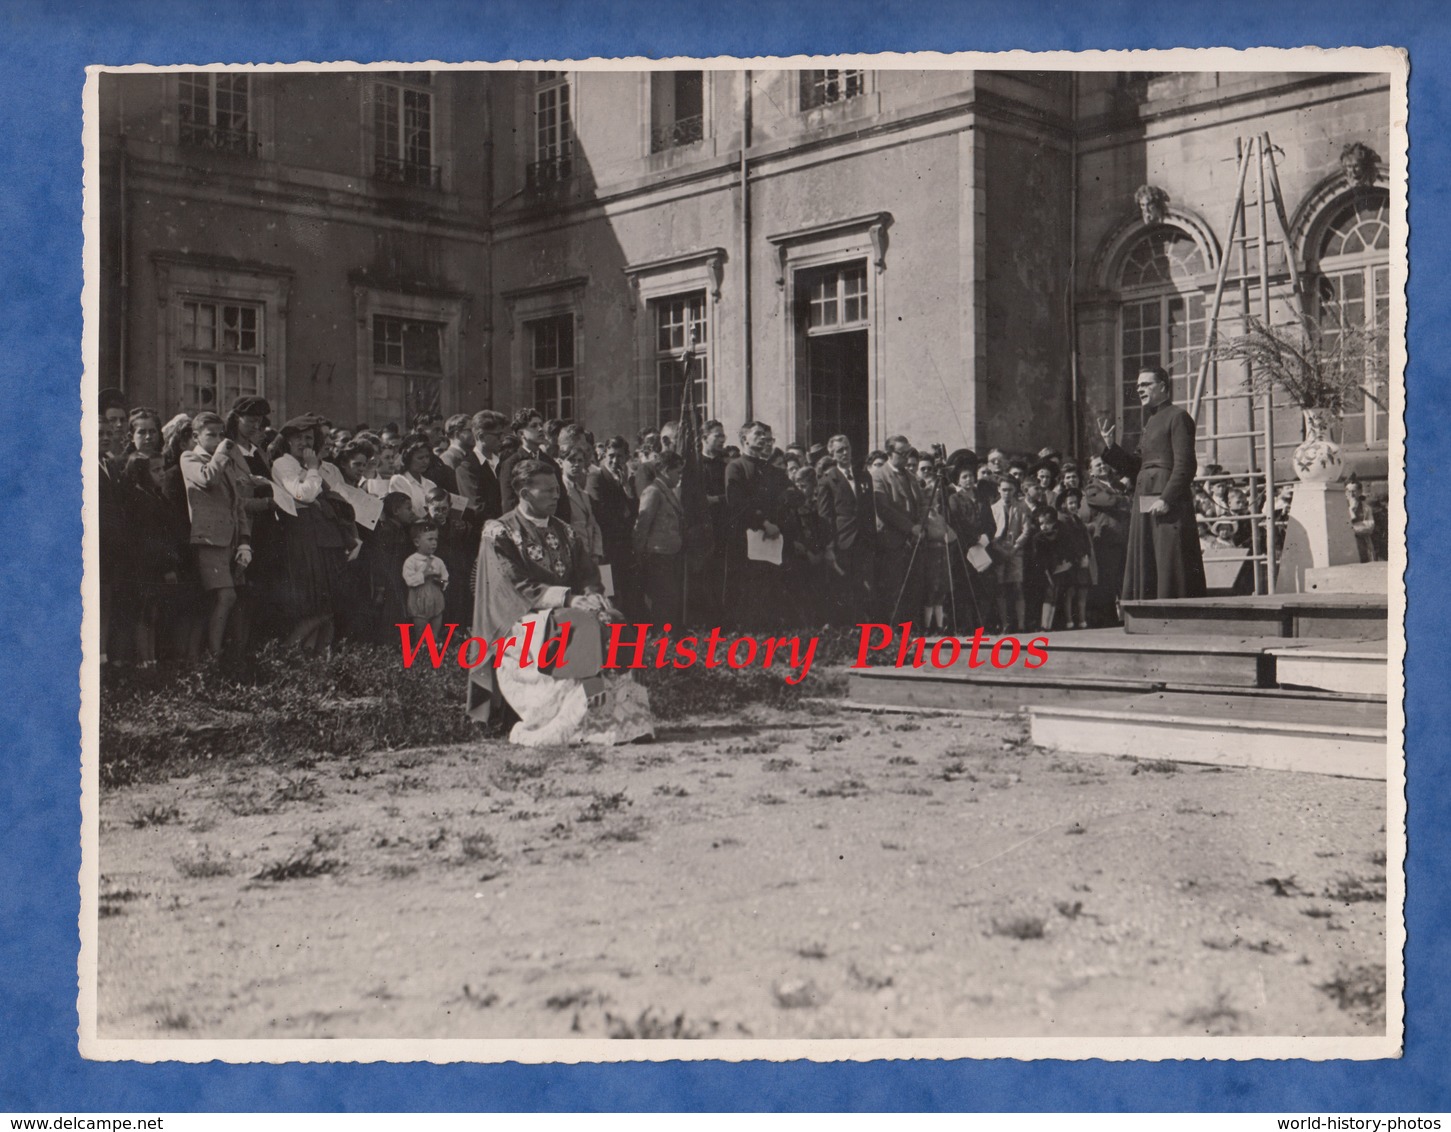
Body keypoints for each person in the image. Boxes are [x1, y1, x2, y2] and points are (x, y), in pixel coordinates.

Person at [467, 460, 653, 747]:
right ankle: (578, 723)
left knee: (612, 618)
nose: (557, 495)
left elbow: (587, 573)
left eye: (557, 490)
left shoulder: (565, 531)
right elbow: (511, 584)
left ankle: (621, 721)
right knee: (580, 625)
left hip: (567, 609)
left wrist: (592, 595)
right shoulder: (499, 532)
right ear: (525, 493)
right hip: (521, 618)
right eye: (549, 491)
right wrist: (568, 598)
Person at [1097, 366, 1207, 601]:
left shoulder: (1178, 417)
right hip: (1145, 495)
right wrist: (1110, 447)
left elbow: (1185, 465)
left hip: (1166, 499)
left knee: (1169, 558)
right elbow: (1137, 465)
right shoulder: (1151, 422)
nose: (1139, 389)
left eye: (1145, 384)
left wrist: (1166, 498)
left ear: (1163, 387)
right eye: (1138, 385)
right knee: (1148, 556)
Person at [180, 412, 254, 660]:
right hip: (208, 541)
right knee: (225, 596)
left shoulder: (223, 461)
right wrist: (222, 452)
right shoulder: (190, 457)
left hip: (230, 542)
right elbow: (206, 478)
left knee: (225, 601)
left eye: (221, 434)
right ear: (196, 436)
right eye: (211, 435)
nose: (217, 439)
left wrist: (244, 541)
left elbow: (237, 504)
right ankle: (214, 656)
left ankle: (212, 656)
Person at [725, 420, 790, 629]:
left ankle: (771, 637)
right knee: (751, 588)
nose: (763, 438)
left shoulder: (771, 470)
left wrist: (776, 522)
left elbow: (789, 494)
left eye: (765, 435)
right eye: (758, 434)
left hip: (772, 536)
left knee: (771, 588)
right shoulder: (736, 467)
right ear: (745, 440)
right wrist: (763, 522)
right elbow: (737, 503)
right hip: (748, 538)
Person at [816, 433, 877, 625]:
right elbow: (825, 516)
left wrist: (872, 537)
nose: (845, 453)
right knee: (843, 586)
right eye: (840, 450)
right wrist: (829, 546)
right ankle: (845, 629)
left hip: (863, 540)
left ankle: (863, 626)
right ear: (832, 455)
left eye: (847, 448)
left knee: (864, 584)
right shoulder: (828, 480)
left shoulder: (863, 475)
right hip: (843, 540)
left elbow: (869, 508)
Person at [871, 434, 926, 624]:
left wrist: (920, 526)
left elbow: (921, 504)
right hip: (892, 542)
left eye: (908, 452)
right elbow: (884, 509)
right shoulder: (879, 476)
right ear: (889, 453)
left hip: (913, 542)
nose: (905, 457)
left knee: (913, 588)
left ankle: (910, 632)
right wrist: (911, 528)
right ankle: (891, 636)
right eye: (901, 453)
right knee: (893, 590)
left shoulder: (911, 477)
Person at [633, 450, 686, 624]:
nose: (680, 477)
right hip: (658, 556)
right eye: (677, 472)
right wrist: (640, 554)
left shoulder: (667, 491)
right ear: (665, 470)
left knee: (669, 598)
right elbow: (642, 526)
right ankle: (660, 638)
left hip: (670, 554)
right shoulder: (653, 491)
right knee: (661, 599)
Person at [499, 408, 571, 521]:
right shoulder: (511, 464)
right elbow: (509, 503)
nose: (540, 429)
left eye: (541, 425)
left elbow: (562, 501)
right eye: (534, 426)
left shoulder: (551, 463)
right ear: (520, 433)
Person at [402, 521, 449, 638]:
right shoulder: (411, 561)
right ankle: (422, 651)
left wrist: (441, 581)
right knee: (422, 634)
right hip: (419, 601)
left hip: (436, 599)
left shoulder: (438, 561)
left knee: (435, 632)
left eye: (436, 540)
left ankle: (434, 647)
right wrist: (424, 575)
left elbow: (445, 579)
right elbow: (409, 580)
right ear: (417, 542)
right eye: (430, 539)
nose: (434, 543)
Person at [389, 437, 439, 519]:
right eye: (420, 458)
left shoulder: (431, 485)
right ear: (408, 459)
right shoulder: (399, 481)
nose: (425, 461)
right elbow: (404, 514)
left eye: (427, 457)